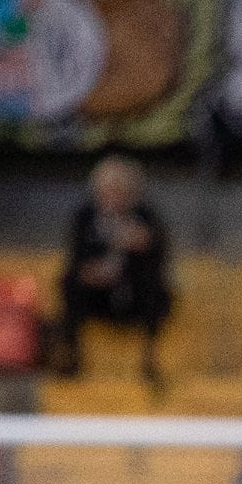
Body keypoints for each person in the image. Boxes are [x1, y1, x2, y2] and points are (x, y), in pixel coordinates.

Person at [54, 155, 172, 381]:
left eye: (120, 190)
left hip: (134, 294)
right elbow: (76, 260)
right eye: (109, 189)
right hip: (98, 295)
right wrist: (94, 272)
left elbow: (158, 256)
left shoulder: (145, 217)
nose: (114, 196)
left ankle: (151, 360)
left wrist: (137, 243)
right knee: (69, 283)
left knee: (153, 287)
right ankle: (71, 355)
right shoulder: (85, 217)